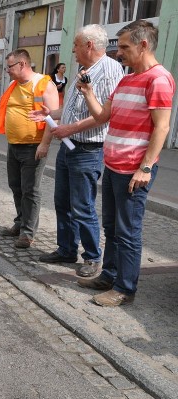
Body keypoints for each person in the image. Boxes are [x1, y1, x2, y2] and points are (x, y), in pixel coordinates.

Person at [75, 20, 175, 306]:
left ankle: (124, 289)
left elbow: (162, 128)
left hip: (133, 170)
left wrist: (145, 168)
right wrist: (89, 93)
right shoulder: (126, 79)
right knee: (112, 227)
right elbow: (102, 117)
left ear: (144, 45)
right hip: (113, 165)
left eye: (125, 47)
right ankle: (109, 275)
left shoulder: (158, 78)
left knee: (128, 231)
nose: (119, 53)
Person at [33, 25, 124, 277]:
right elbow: (72, 107)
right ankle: (66, 249)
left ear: (89, 45)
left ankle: (92, 257)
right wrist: (50, 114)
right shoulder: (83, 70)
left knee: (83, 206)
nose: (72, 50)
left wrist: (69, 129)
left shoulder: (109, 70)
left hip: (88, 149)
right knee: (62, 202)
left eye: (75, 45)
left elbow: (104, 116)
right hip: (69, 147)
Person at [0, 49, 59, 248]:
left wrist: (45, 144)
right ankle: (20, 222)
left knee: (30, 190)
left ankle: (28, 233)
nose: (7, 71)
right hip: (14, 145)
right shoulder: (14, 85)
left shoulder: (43, 84)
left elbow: (53, 117)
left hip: (33, 146)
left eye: (9, 67)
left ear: (22, 64)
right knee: (16, 186)